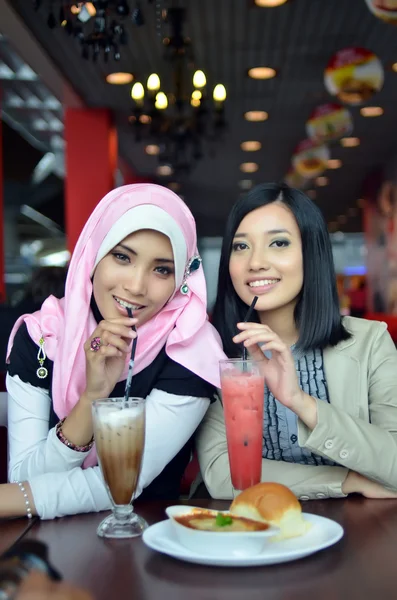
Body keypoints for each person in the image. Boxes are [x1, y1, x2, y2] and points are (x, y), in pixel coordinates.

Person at [1, 183, 225, 519]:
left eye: (162, 269)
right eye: (122, 257)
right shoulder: (43, 335)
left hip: (150, 547)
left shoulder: (192, 347)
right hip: (44, 550)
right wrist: (92, 397)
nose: (136, 286)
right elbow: (23, 478)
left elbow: (121, 482)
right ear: (94, 255)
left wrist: (9, 501)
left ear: (181, 278)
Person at [196, 183, 397, 500]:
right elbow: (222, 475)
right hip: (254, 531)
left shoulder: (370, 343)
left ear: (311, 254)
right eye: (241, 246)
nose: (256, 262)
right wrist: (344, 481)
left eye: (278, 243)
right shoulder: (216, 355)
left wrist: (299, 400)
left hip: (361, 537)